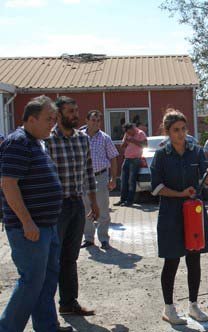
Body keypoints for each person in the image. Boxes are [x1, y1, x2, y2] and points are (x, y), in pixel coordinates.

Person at [0, 96, 73, 332]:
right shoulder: (18, 143)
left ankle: (47, 326)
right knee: (31, 282)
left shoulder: (36, 143)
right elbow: (9, 184)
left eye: (54, 119)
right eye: (48, 119)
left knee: (46, 282)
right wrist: (27, 222)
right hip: (29, 230)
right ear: (31, 119)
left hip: (47, 226)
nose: (52, 124)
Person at [150, 109, 208, 325]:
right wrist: (179, 194)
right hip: (170, 214)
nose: (181, 134)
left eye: (183, 129)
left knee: (194, 259)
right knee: (171, 261)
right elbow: (157, 187)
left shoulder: (196, 152)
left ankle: (193, 306)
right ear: (167, 132)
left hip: (193, 213)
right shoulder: (161, 155)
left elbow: (206, 182)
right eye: (176, 130)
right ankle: (169, 308)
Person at [45, 96, 99, 316]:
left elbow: (88, 172)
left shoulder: (82, 139)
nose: (75, 115)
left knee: (70, 257)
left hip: (77, 205)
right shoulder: (47, 140)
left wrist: (94, 203)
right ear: (58, 115)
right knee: (51, 258)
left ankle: (68, 303)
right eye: (70, 111)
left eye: (76, 111)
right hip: (55, 208)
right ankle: (46, 310)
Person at [81, 110, 119, 250]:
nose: (96, 123)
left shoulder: (105, 138)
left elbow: (113, 158)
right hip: (83, 178)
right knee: (86, 209)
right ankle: (89, 239)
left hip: (101, 177)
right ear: (86, 120)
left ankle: (103, 239)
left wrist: (113, 179)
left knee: (103, 209)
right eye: (93, 120)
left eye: (98, 120)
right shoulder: (79, 137)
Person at [114, 122, 147, 206]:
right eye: (126, 132)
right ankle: (122, 200)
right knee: (123, 180)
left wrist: (134, 141)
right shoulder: (127, 134)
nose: (128, 134)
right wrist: (125, 141)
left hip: (135, 159)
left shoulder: (141, 133)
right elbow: (122, 146)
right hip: (127, 159)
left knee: (131, 181)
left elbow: (145, 145)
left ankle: (130, 201)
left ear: (133, 128)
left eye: (129, 132)